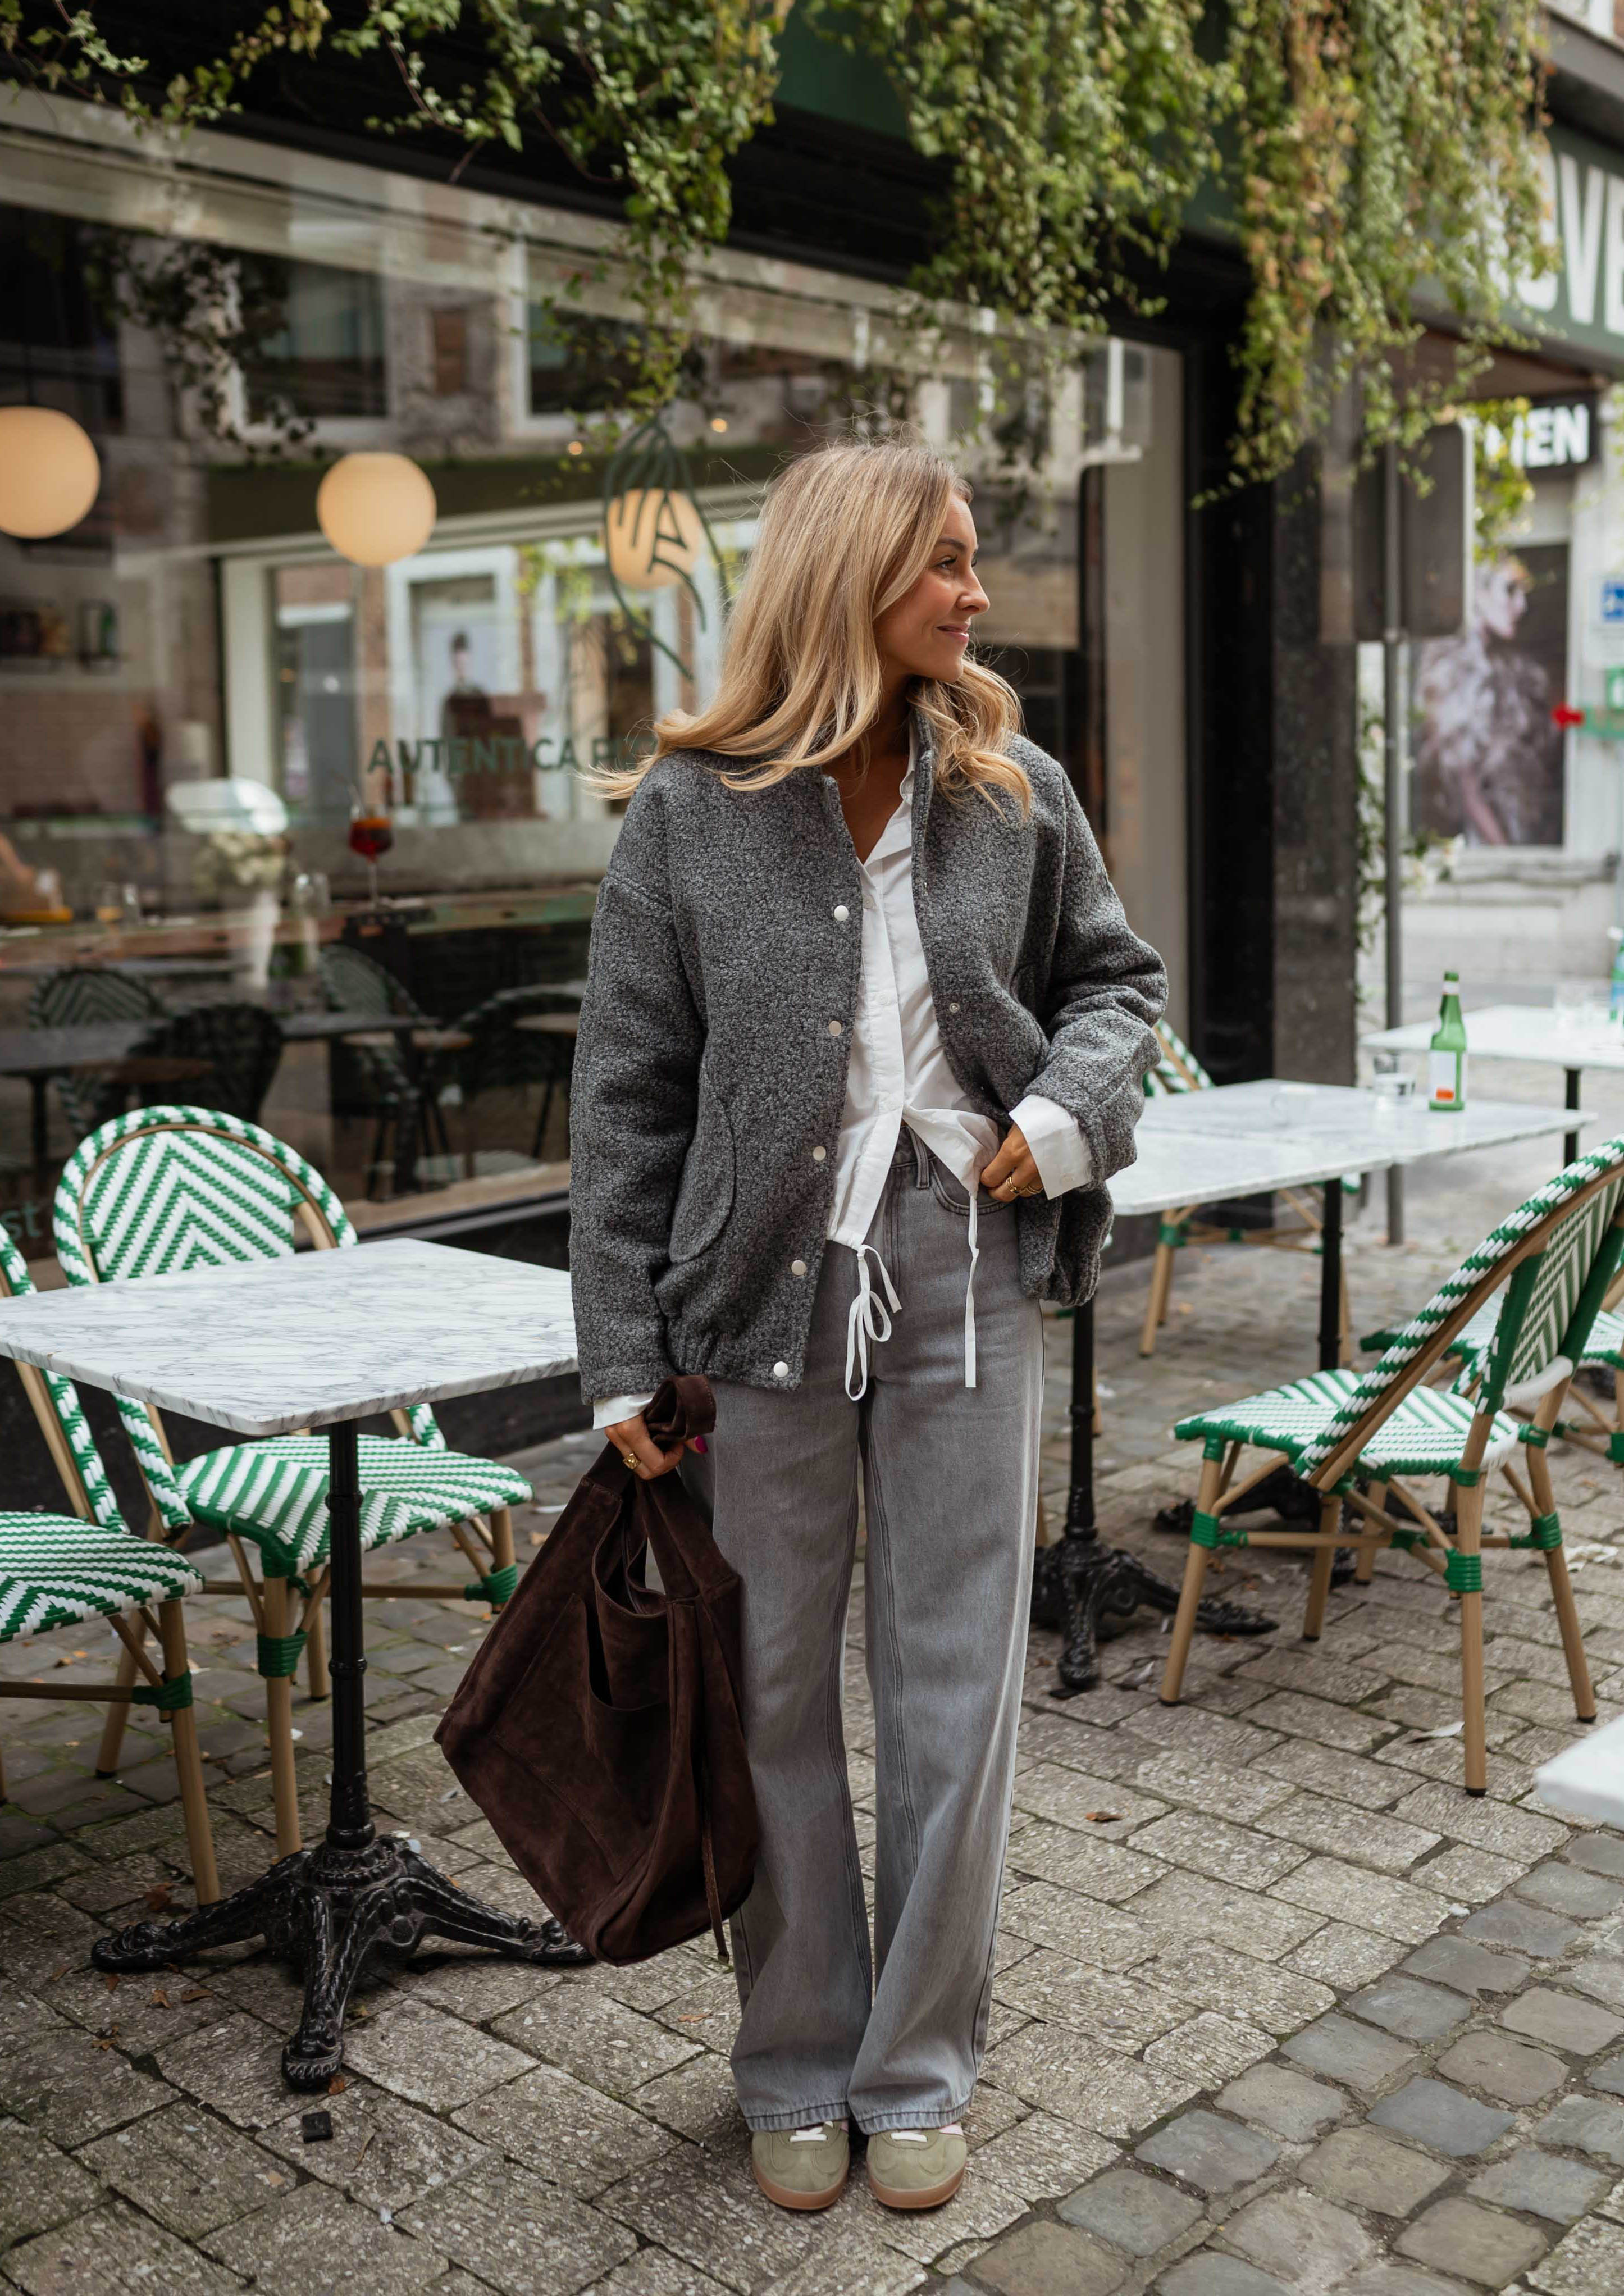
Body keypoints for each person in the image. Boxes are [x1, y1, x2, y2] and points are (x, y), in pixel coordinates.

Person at [569, 434, 1165, 2216]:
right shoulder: (688, 810)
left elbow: (1114, 988)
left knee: (950, 1687)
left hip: (964, 1256)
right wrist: (615, 1350)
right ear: (854, 572)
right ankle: (792, 2056)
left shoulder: (1008, 785)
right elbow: (623, 1097)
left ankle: (916, 2067)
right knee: (762, 1689)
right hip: (753, 1295)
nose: (976, 596)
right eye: (950, 563)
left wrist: (1057, 1120)